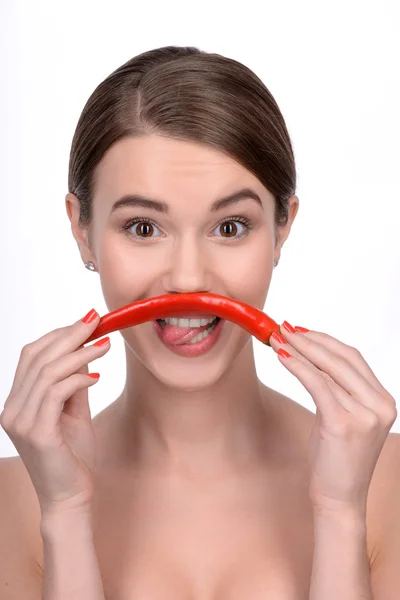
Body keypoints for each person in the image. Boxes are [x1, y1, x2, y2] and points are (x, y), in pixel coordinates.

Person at [1, 45, 399, 600]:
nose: (188, 279)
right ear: (82, 229)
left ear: (282, 229)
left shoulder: (389, 482)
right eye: (143, 228)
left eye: (231, 227)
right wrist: (65, 515)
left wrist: (340, 514)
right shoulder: (12, 499)